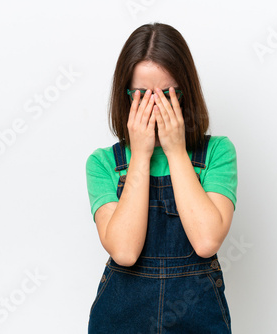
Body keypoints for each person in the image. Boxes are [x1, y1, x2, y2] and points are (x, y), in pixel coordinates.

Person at [86, 22, 238, 333]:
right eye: (142, 95)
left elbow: (207, 241)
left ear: (186, 94)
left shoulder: (218, 153)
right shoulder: (102, 164)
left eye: (168, 95)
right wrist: (140, 155)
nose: (155, 107)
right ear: (126, 96)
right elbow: (125, 252)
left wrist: (176, 151)